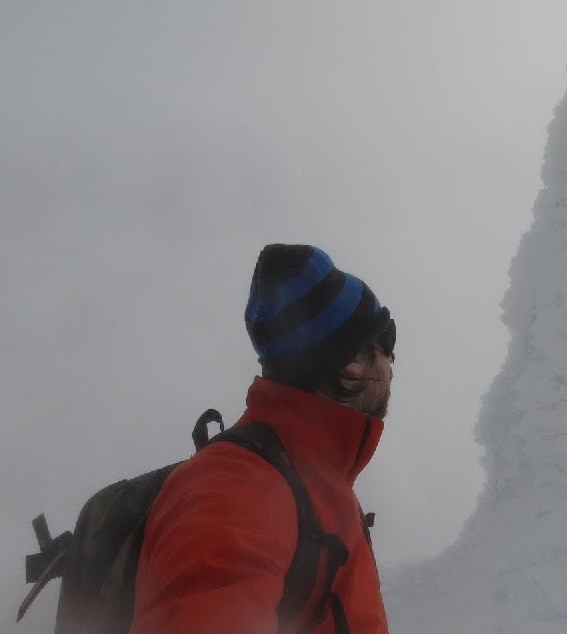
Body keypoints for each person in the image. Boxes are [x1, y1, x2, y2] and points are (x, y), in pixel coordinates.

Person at [130, 244, 395, 634]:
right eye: (387, 340)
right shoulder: (238, 488)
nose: (392, 362)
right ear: (352, 365)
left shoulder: (311, 483)